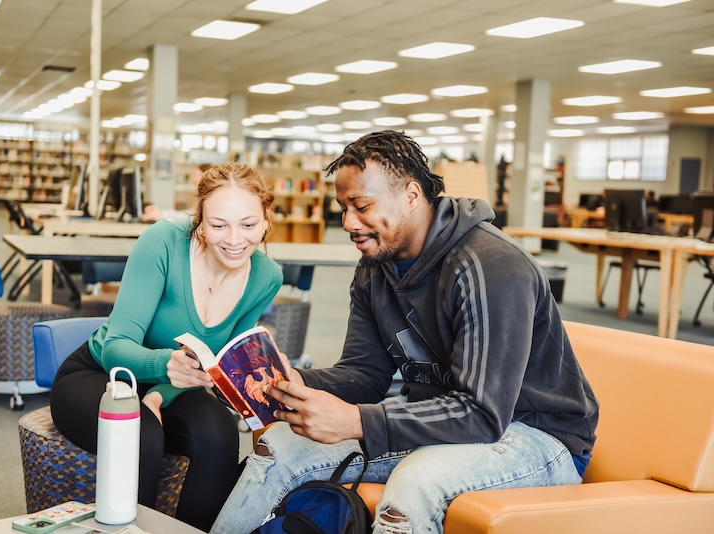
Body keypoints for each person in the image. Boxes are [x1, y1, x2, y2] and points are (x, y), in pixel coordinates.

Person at [212, 131, 599, 534]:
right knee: (278, 450)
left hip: (536, 437)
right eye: (343, 208)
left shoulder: (491, 267)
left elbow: (483, 414)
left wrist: (357, 421)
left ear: (412, 195)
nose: (348, 223)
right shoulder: (374, 268)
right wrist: (290, 382)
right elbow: (364, 374)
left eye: (361, 206)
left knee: (415, 483)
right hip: (436, 425)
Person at [51, 162, 283, 532]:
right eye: (219, 224)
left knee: (219, 433)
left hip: (175, 385)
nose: (235, 239)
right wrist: (163, 368)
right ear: (200, 220)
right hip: (97, 374)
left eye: (249, 224)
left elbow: (216, 365)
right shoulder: (163, 242)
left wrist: (263, 367)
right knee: (140, 432)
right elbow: (116, 347)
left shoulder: (266, 277)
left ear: (267, 219)